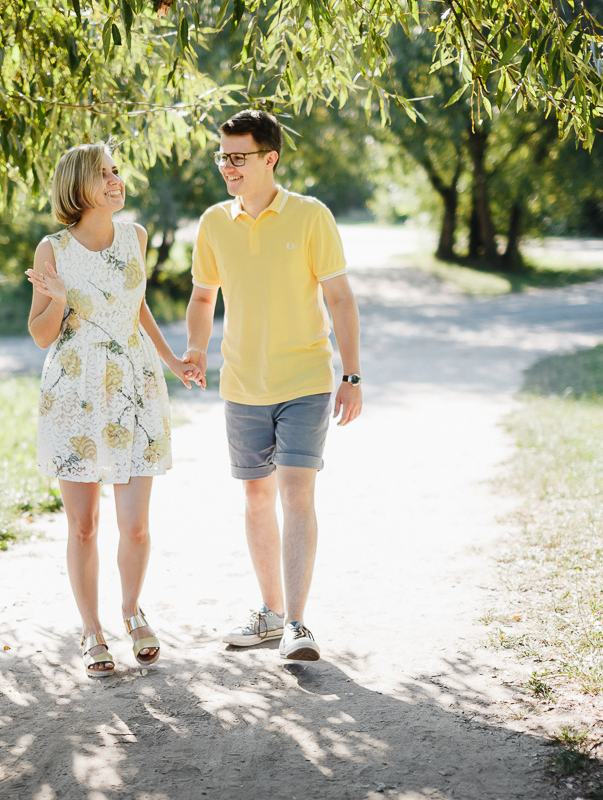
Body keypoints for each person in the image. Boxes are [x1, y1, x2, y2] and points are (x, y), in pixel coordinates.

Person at [183, 110, 363, 661]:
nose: (227, 167)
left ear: (270, 159)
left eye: (238, 157)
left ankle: (298, 625)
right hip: (242, 384)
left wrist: (351, 375)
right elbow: (202, 297)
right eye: (223, 157)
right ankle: (271, 613)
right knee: (257, 496)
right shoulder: (214, 222)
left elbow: (339, 298)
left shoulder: (310, 216)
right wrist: (196, 348)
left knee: (296, 493)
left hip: (305, 379)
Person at [27, 141, 202, 678]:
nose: (115, 180)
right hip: (74, 389)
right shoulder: (51, 248)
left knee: (136, 526)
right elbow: (40, 335)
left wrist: (173, 361)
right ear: (77, 184)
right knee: (83, 526)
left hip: (134, 384)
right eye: (103, 173)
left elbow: (137, 305)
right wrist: (59, 300)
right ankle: (91, 630)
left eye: (116, 171)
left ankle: (131, 611)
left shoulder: (136, 237)